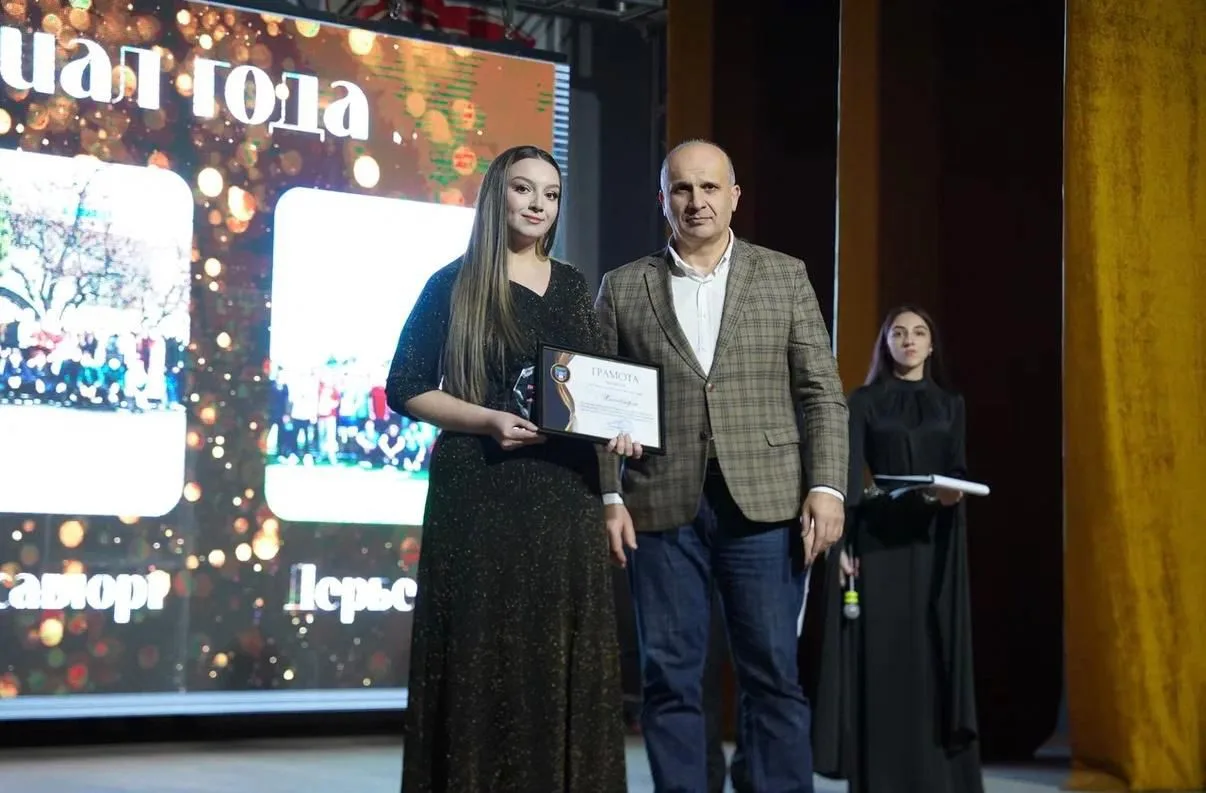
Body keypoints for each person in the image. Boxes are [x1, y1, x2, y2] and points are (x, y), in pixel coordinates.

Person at [596, 139, 850, 793]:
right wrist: (609, 495)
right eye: (682, 188)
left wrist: (827, 486)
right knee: (670, 677)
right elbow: (595, 403)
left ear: (734, 196)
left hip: (766, 504)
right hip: (659, 504)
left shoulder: (784, 275)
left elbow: (821, 392)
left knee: (773, 673)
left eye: (709, 187)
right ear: (663, 199)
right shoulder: (623, 287)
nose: (696, 201)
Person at [387, 145, 637, 793]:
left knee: (557, 657)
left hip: (565, 496)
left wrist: (622, 434)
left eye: (550, 194)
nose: (537, 204)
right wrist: (487, 420)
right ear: (496, 193)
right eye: (523, 189)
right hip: (480, 490)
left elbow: (596, 389)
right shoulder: (453, 283)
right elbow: (405, 386)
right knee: (483, 655)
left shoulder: (574, 285)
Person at [811, 306, 985, 793]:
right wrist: (840, 547)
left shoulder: (951, 404)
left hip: (934, 541)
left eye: (919, 332)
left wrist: (951, 494)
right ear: (885, 344)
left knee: (932, 652)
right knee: (884, 659)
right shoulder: (864, 401)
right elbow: (848, 479)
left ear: (931, 345)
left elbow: (958, 469)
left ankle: (935, 778)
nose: (909, 340)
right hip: (878, 542)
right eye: (899, 333)